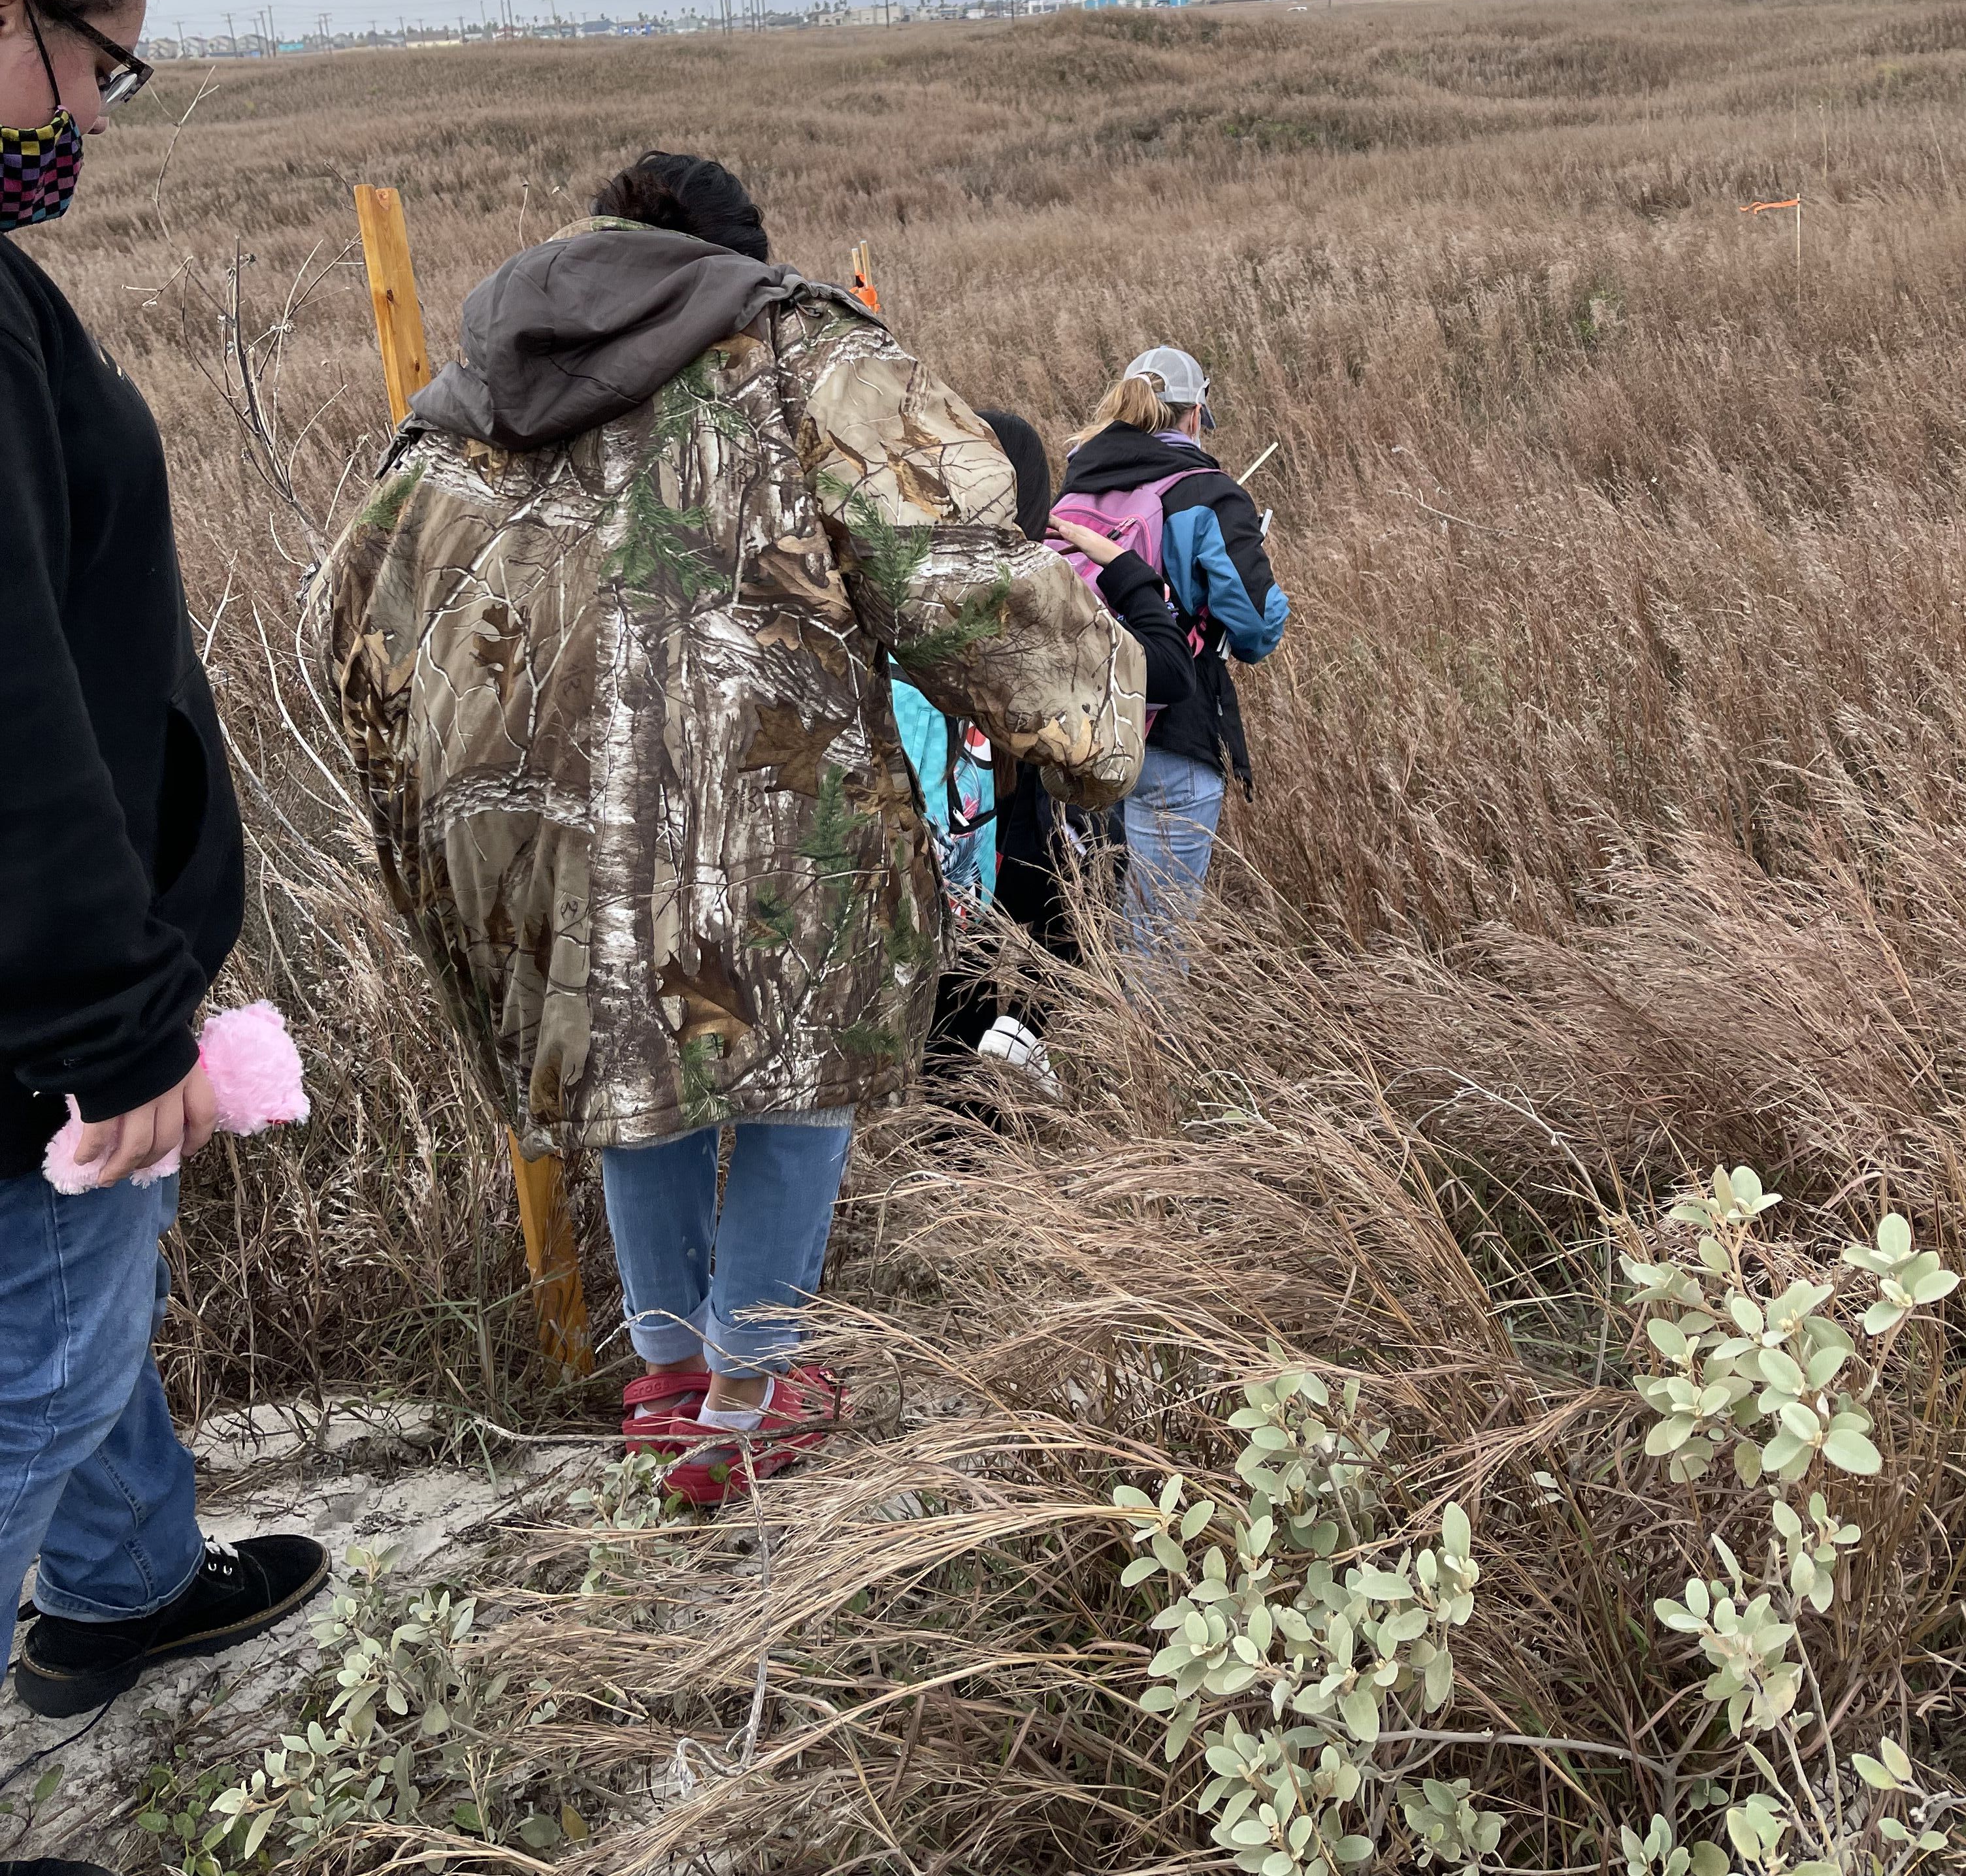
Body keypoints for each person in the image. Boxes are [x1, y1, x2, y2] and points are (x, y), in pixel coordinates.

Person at [319, 155, 1145, 1501]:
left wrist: (448, 795)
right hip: (771, 797)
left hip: (547, 825)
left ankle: (669, 1385)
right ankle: (757, 1390)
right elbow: (957, 577)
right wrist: (1104, 725)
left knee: (633, 1080)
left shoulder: (470, 387)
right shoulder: (799, 353)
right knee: (802, 1069)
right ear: (733, 257)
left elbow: (347, 607)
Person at [0, 0, 326, 1771]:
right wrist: (116, 1027)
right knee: (39, 1356)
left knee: (77, 1329)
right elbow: (11, 700)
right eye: (102, 69)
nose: (98, 122)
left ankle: (119, 1591)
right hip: (36, 1021)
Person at [925, 409, 1198, 1088]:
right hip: (986, 859)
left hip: (911, 865)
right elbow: (1166, 671)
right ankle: (971, 1147)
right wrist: (1126, 569)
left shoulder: (898, 593)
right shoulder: (1027, 613)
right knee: (977, 1010)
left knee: (942, 1021)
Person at [1058, 345, 1287, 943]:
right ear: (1194, 416)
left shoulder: (1073, 489)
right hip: (1170, 730)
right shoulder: (1209, 494)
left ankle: (1067, 1032)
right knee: (1156, 938)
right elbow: (1259, 631)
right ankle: (1144, 1039)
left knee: (1088, 925)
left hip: (1072, 727)